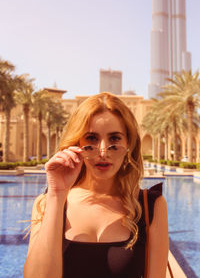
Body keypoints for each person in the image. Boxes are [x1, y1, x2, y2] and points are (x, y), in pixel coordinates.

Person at [23, 92, 169, 278]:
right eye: (91, 138)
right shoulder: (46, 204)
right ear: (76, 143)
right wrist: (56, 195)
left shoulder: (150, 207)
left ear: (128, 145)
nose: (103, 151)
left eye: (114, 139)